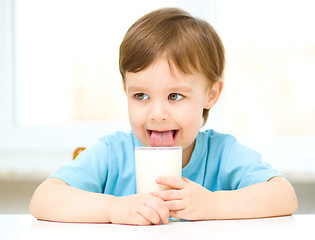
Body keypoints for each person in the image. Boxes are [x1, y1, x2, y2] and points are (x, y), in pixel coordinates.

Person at [30, 7, 298, 225]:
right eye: (141, 96)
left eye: (174, 96)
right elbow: (43, 199)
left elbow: (284, 196)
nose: (157, 114)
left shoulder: (223, 154)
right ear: (126, 91)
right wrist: (113, 208)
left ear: (211, 94)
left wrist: (214, 204)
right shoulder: (113, 154)